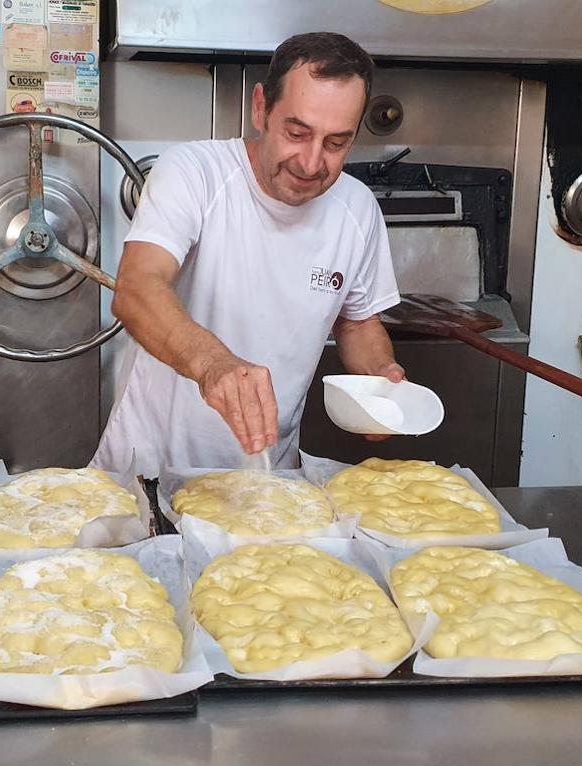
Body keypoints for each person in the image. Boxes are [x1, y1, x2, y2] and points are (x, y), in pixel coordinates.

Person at [92, 32, 404, 477]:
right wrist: (214, 364)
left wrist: (381, 376)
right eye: (297, 133)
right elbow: (136, 288)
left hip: (267, 480)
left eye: (336, 144)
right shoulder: (193, 173)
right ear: (261, 108)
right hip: (147, 471)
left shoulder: (357, 209)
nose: (312, 162)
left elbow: (356, 320)